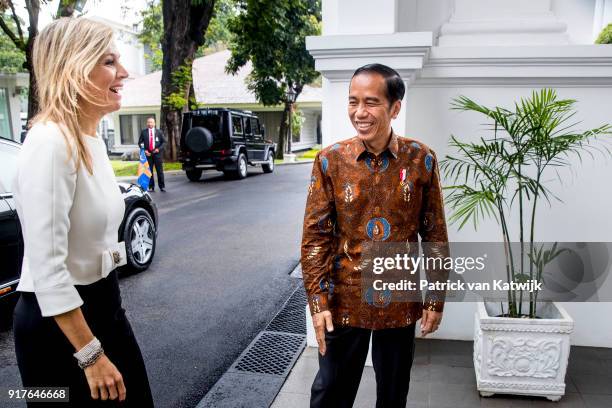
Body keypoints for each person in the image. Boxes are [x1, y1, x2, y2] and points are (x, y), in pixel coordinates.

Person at [12, 18, 154, 407]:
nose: (123, 73)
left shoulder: (89, 139)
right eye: (109, 62)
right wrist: (90, 355)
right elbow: (48, 268)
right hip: (56, 329)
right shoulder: (50, 141)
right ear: (72, 68)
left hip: (105, 310)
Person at [301, 63, 450, 408]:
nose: (359, 112)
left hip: (399, 299)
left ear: (395, 108)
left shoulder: (421, 159)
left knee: (394, 394)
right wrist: (318, 301)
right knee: (330, 392)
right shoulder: (330, 161)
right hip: (345, 298)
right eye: (353, 102)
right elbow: (315, 237)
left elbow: (434, 234)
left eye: (371, 102)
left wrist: (435, 298)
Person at [139, 117, 166, 192]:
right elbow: (140, 143)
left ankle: (162, 186)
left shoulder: (159, 132)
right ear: (147, 123)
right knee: (149, 171)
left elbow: (164, 142)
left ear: (154, 123)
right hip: (148, 154)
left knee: (159, 171)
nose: (150, 124)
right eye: (148, 122)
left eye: (151, 122)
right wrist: (144, 150)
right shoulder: (143, 132)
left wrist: (158, 149)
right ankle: (151, 187)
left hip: (157, 154)